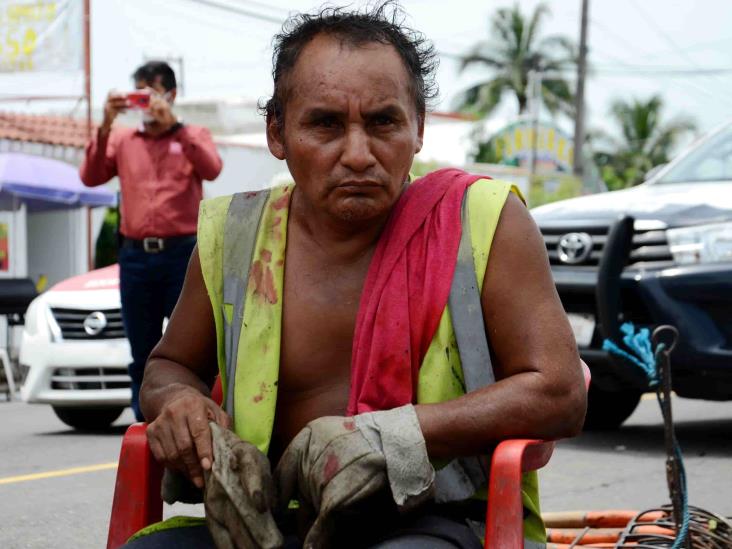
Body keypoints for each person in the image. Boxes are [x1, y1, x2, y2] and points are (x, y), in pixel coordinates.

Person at [130, 4, 586, 548]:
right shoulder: (235, 234)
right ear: (277, 132)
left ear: (418, 126)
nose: (357, 154)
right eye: (325, 124)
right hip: (264, 521)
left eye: (382, 122)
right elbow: (168, 366)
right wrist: (181, 404)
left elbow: (559, 393)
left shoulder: (484, 220)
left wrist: (395, 436)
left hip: (439, 517)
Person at [80, 61, 223, 422]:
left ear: (170, 95)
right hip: (135, 258)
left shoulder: (192, 135)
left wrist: (175, 126)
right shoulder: (123, 140)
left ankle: (196, 420)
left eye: (150, 93)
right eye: (137, 94)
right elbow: (90, 176)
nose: (143, 103)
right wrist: (106, 123)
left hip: (183, 255)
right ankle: (146, 426)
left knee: (192, 349)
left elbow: (213, 168)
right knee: (141, 350)